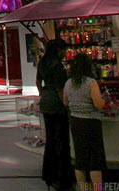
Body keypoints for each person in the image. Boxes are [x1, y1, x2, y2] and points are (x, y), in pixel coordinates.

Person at [63, 53, 106, 191]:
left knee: (80, 159)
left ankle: (82, 188)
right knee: (95, 161)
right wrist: (104, 101)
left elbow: (65, 102)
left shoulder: (68, 83)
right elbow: (98, 104)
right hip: (91, 123)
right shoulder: (90, 83)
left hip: (76, 122)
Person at [36, 39, 74, 191]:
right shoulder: (57, 67)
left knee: (50, 139)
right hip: (57, 106)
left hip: (46, 103)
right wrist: (66, 106)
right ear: (58, 50)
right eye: (63, 50)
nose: (65, 53)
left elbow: (38, 81)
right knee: (62, 141)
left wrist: (43, 94)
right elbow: (60, 89)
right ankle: (62, 177)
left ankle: (48, 174)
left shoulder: (43, 62)